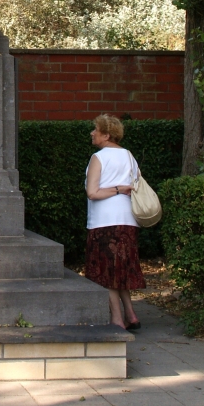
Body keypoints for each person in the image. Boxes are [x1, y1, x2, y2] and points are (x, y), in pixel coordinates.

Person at [84, 114, 145, 330]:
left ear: (106, 135)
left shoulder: (98, 158)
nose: (92, 133)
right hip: (128, 220)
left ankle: (117, 319)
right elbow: (136, 184)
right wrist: (122, 189)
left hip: (104, 223)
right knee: (121, 269)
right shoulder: (129, 156)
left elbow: (92, 193)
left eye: (96, 130)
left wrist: (116, 189)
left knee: (106, 272)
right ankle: (131, 314)